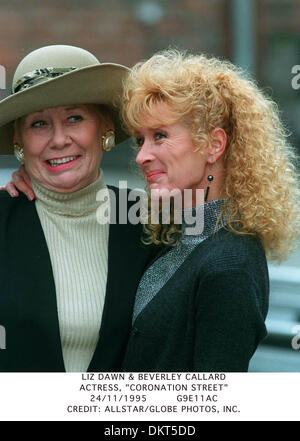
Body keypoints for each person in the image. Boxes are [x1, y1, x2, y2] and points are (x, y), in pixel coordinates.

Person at [117, 49, 300, 372]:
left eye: (160, 136)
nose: (142, 156)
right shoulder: (177, 236)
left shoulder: (229, 263)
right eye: (140, 140)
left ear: (214, 144)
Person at [0, 44, 156, 372]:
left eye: (74, 118)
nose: (58, 140)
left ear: (105, 128)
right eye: (38, 124)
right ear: (19, 141)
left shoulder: (148, 221)